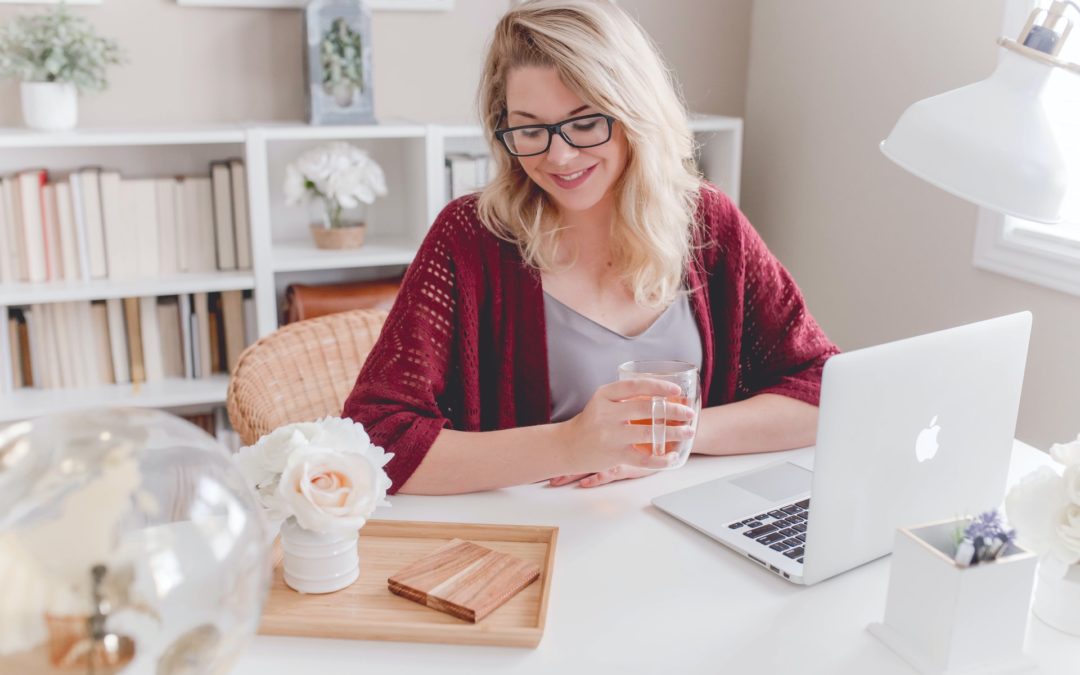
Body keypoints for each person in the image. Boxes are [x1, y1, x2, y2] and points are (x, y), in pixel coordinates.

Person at [343, 0, 839, 495]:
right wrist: (570, 444)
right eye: (531, 129)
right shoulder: (470, 237)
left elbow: (824, 390)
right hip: (533, 540)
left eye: (585, 123)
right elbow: (375, 438)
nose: (559, 156)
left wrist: (668, 437)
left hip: (682, 528)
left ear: (635, 112)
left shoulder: (709, 223)